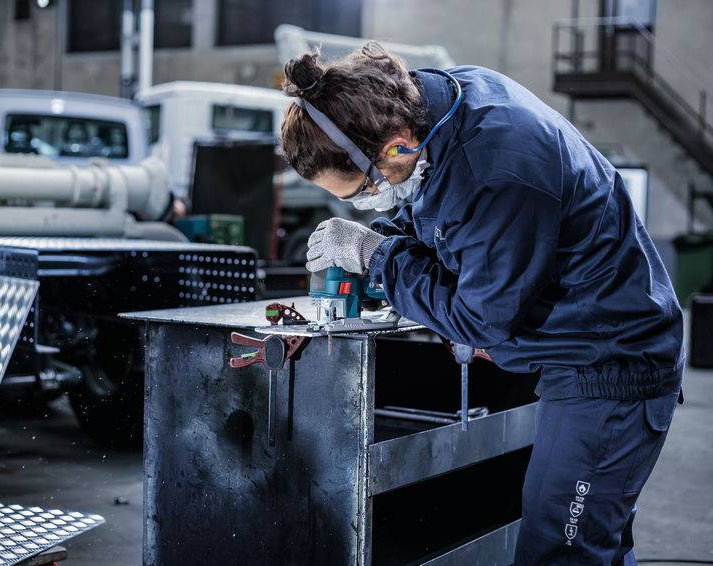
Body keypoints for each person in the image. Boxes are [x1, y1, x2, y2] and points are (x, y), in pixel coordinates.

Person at [279, 43, 684, 564]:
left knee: (561, 550)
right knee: (594, 543)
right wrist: (379, 241)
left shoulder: (497, 166)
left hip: (610, 364)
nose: (363, 200)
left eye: (363, 187)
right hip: (586, 344)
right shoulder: (438, 106)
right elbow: (445, 218)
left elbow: (481, 318)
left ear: (397, 146)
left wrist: (377, 258)